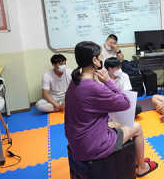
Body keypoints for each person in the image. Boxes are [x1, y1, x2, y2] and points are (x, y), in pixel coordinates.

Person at [65, 41, 158, 177]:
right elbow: (126, 103)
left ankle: (134, 160)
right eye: (100, 56)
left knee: (121, 124)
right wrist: (108, 81)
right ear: (95, 60)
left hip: (77, 142)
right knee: (136, 127)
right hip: (92, 146)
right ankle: (142, 168)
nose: (102, 59)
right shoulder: (93, 86)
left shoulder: (75, 81)